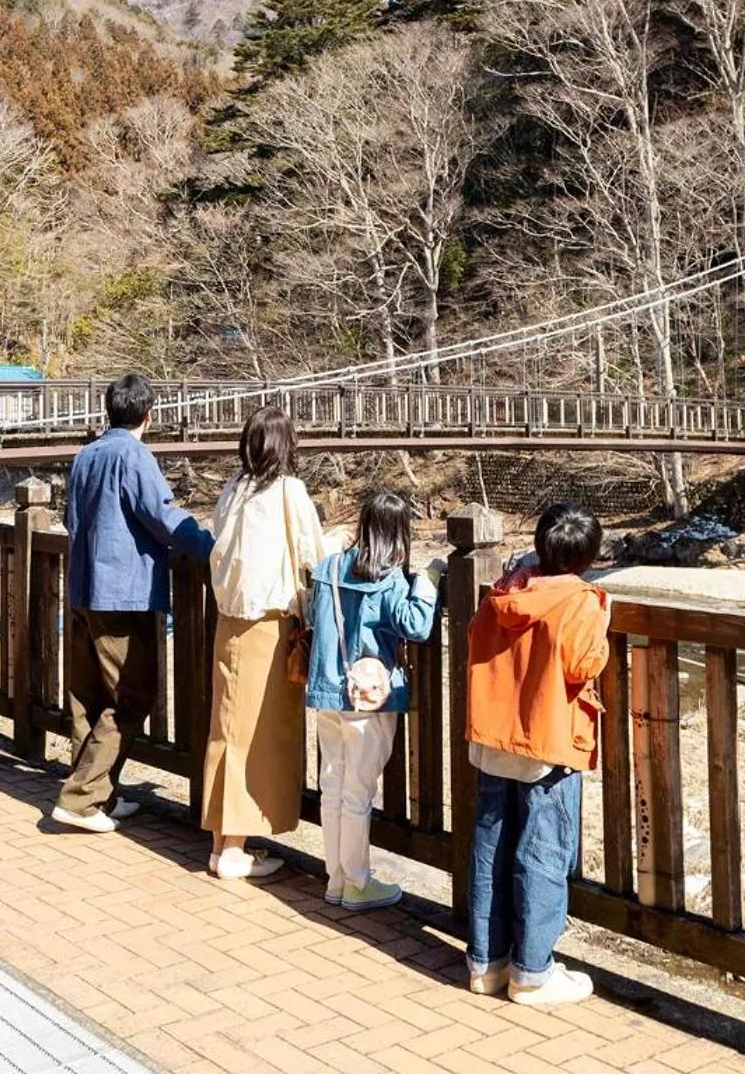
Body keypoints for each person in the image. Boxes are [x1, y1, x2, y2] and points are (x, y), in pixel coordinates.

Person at [463, 501, 610, 1005]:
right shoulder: (580, 601)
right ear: (588, 555)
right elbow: (584, 664)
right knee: (542, 853)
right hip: (545, 741)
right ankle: (532, 972)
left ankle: (486, 963)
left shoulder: (505, 591)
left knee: (492, 849)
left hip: (492, 737)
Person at [53, 373, 213, 833]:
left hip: (84, 586)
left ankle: (101, 792)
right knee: (131, 693)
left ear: (110, 410)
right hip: (123, 593)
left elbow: (71, 518)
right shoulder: (134, 454)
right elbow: (162, 516)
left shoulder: (86, 454)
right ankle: (81, 799)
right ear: (149, 415)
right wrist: (211, 546)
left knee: (90, 698)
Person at [202, 405, 324, 880]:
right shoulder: (288, 492)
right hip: (268, 625)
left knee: (226, 727)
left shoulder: (235, 488)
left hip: (229, 621)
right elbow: (311, 553)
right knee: (253, 734)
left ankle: (224, 842)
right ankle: (232, 849)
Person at [303, 490, 438, 911]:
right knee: (358, 792)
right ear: (398, 534)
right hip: (370, 698)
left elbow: (313, 617)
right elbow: (416, 626)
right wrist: (429, 583)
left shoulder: (329, 569)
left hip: (329, 692)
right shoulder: (391, 580)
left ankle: (336, 879)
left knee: (333, 786)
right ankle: (357, 882)